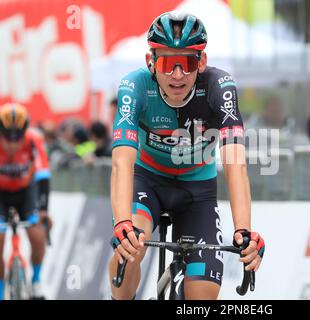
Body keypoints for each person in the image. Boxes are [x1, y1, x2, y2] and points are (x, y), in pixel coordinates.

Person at [108, 11, 265, 300]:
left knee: (202, 297)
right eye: (167, 63)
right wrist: (121, 224)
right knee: (130, 251)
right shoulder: (135, 86)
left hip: (197, 190)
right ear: (150, 62)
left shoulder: (220, 87)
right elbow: (121, 163)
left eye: (188, 63)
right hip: (148, 183)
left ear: (201, 63)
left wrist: (244, 231)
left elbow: (235, 163)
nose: (177, 75)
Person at [0, 103, 51, 300]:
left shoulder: (33, 140)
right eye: (7, 136)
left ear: (25, 132)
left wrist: (44, 211)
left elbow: (43, 175)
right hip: (1, 194)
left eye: (17, 136)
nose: (12, 142)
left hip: (25, 192)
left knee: (38, 236)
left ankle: (36, 281)